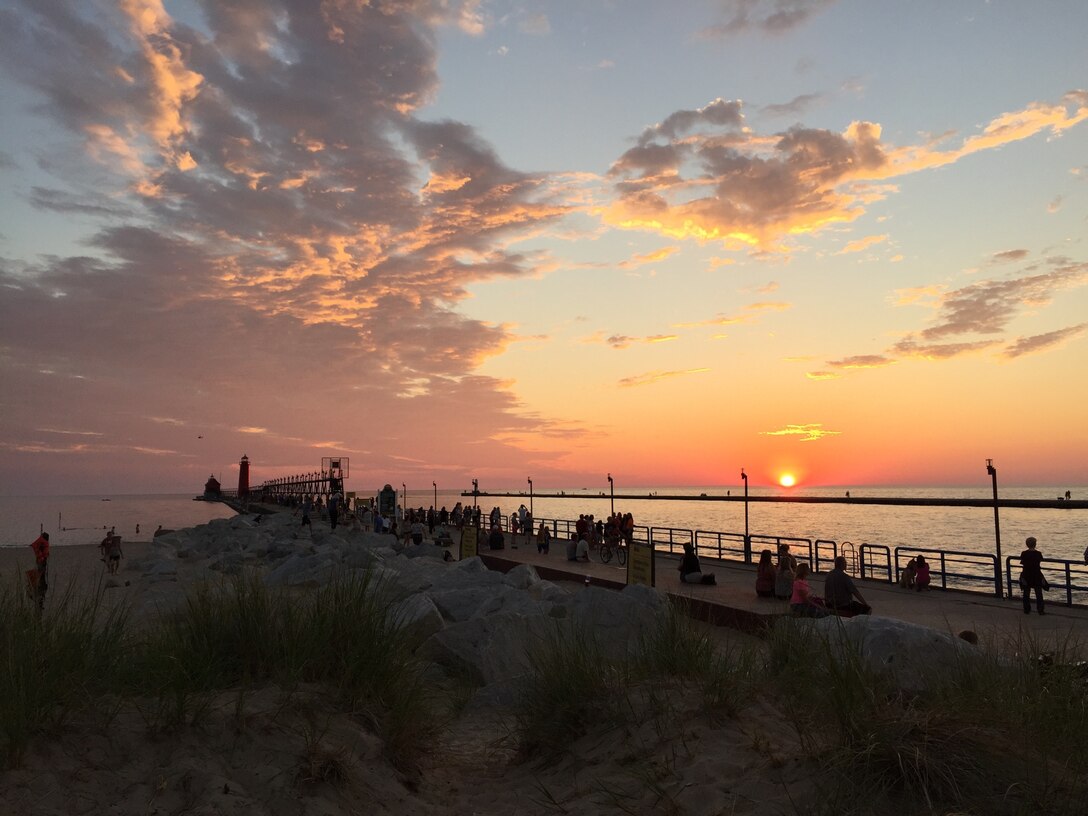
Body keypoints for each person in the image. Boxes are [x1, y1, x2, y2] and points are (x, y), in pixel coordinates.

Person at [1019, 536, 1046, 615]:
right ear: (1035, 544)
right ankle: (1040, 610)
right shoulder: (1038, 554)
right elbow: (1040, 561)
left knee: (1026, 593)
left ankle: (1026, 609)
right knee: (1038, 593)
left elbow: (1022, 562)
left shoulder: (1024, 553)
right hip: (1036, 574)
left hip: (1026, 574)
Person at [30, 532, 50, 611]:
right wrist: (43, 558)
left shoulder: (41, 542)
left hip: (40, 561)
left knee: (41, 576)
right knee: (41, 577)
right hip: (41, 562)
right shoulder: (43, 543)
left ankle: (39, 595)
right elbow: (43, 553)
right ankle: (39, 595)